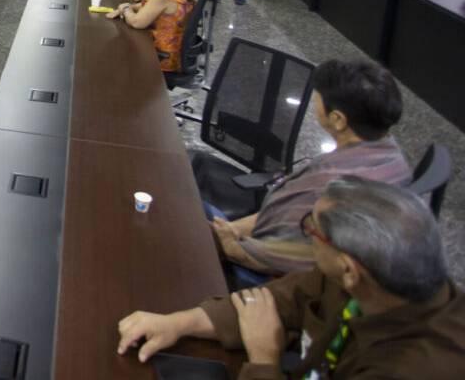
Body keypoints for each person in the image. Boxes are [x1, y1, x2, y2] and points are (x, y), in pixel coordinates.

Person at [116, 177, 465, 379]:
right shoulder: (367, 278)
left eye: (312, 230)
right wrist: (180, 322)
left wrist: (264, 359)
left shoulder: (418, 366)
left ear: (349, 268)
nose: (306, 234)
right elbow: (285, 298)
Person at [200, 59, 410, 280]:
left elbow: (282, 259)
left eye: (317, 99)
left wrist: (232, 247)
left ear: (337, 119)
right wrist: (232, 229)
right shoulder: (392, 159)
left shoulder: (327, 189)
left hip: (266, 280)